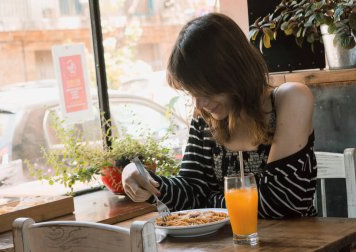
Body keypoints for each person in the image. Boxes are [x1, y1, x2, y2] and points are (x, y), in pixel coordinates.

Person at [122, 12, 317, 219]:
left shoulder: (292, 98)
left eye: (205, 90)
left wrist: (206, 203)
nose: (199, 103)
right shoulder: (206, 117)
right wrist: (140, 177)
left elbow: (281, 203)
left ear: (233, 72)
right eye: (192, 92)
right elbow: (191, 191)